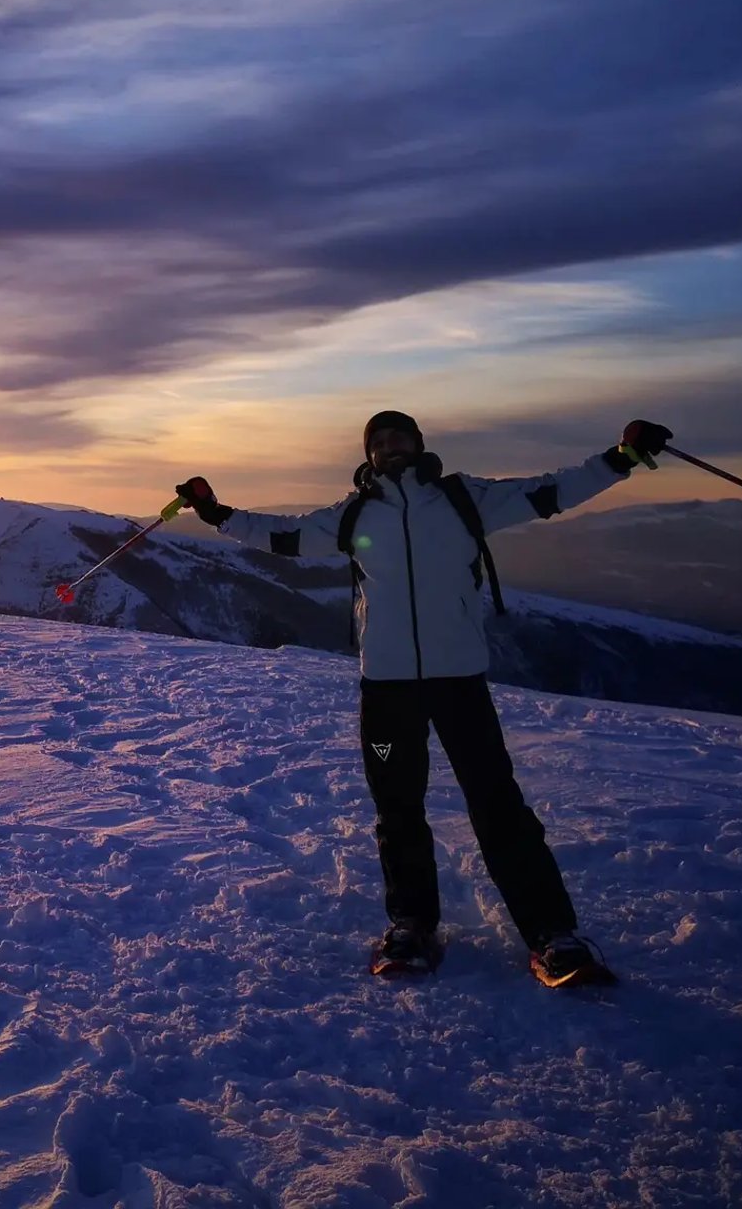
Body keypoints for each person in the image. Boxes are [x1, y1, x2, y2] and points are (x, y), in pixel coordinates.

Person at [173, 411, 672, 986]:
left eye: (398, 438)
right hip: (386, 689)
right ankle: (411, 925)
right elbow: (281, 535)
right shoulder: (354, 513)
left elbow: (551, 490)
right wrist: (215, 514)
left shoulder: (465, 499)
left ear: (418, 444)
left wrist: (623, 457)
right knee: (398, 806)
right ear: (369, 454)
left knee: (497, 804)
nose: (390, 448)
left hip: (459, 681)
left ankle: (552, 934)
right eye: (379, 442)